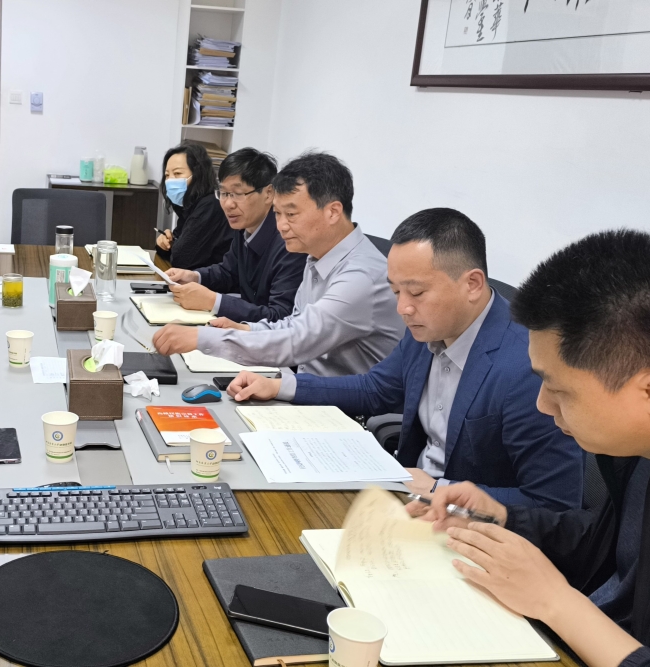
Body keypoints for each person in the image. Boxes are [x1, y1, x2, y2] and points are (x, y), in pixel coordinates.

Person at [227, 208, 582, 509]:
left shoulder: (525, 366)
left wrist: (439, 490)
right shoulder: (428, 326)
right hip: (406, 498)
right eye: (396, 291)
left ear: (472, 284)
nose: (403, 308)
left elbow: (553, 503)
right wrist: (281, 386)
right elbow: (375, 389)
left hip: (464, 528)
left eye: (416, 292)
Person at [410, 229, 650, 667]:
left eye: (559, 390)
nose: (542, 405)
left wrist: (555, 601)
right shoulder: (634, 453)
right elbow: (605, 547)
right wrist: (501, 516)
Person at [154, 151, 404, 378]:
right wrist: (246, 330)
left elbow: (298, 340)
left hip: (343, 405)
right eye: (277, 213)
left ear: (333, 212)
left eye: (291, 214)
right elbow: (293, 323)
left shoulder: (359, 277)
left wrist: (203, 338)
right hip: (307, 385)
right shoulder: (317, 256)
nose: (281, 225)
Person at [165, 148, 306, 323]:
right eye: (224, 194)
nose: (228, 204)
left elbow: (280, 317)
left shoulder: (289, 241)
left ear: (269, 193)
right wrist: (195, 276)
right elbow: (228, 272)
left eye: (238, 194)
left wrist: (213, 301)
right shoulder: (244, 228)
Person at [154, 142, 234, 270]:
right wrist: (163, 244)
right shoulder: (188, 206)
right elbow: (175, 249)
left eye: (177, 173)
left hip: (214, 280)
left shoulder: (209, 205)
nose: (170, 180)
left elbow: (181, 259)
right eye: (167, 175)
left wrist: (174, 246)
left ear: (198, 174)